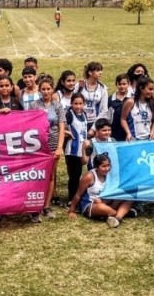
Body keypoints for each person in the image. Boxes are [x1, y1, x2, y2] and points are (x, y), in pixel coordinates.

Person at [29, 76, 65, 212]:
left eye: (48, 89)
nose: (46, 91)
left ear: (52, 89)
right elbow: (28, 124)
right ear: (39, 90)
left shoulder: (58, 106)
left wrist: (59, 147)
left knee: (51, 175)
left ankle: (46, 205)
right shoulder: (34, 105)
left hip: (53, 144)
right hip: (38, 146)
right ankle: (36, 204)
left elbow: (62, 128)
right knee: (37, 175)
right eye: (43, 89)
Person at [67, 153, 134, 228]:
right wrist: (71, 210)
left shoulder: (110, 174)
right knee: (101, 207)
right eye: (103, 166)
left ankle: (117, 218)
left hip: (106, 200)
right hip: (91, 204)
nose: (107, 168)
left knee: (129, 197)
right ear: (96, 167)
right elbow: (78, 195)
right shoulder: (89, 176)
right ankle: (122, 213)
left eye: (108, 165)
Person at [64, 93, 89, 203]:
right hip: (73, 150)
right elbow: (59, 126)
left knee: (80, 173)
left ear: (84, 104)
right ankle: (71, 199)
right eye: (75, 103)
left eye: (80, 103)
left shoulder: (84, 114)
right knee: (74, 176)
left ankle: (78, 196)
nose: (78, 106)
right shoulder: (69, 115)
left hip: (83, 149)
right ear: (71, 103)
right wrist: (66, 132)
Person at [121, 76, 154, 141]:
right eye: (150, 89)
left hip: (148, 139)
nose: (152, 92)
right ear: (141, 88)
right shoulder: (131, 102)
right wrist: (128, 133)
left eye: (152, 89)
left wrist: (152, 132)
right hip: (134, 138)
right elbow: (123, 119)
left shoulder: (152, 103)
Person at [79, 62, 109, 127]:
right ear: (90, 72)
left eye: (101, 70)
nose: (101, 73)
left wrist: (94, 127)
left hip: (95, 122)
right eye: (98, 71)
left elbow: (104, 110)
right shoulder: (80, 85)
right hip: (80, 121)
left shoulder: (103, 88)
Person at [108, 73, 131, 141]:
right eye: (120, 84)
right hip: (114, 129)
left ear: (128, 84)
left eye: (124, 84)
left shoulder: (132, 98)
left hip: (128, 129)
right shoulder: (111, 99)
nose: (122, 86)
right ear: (116, 84)